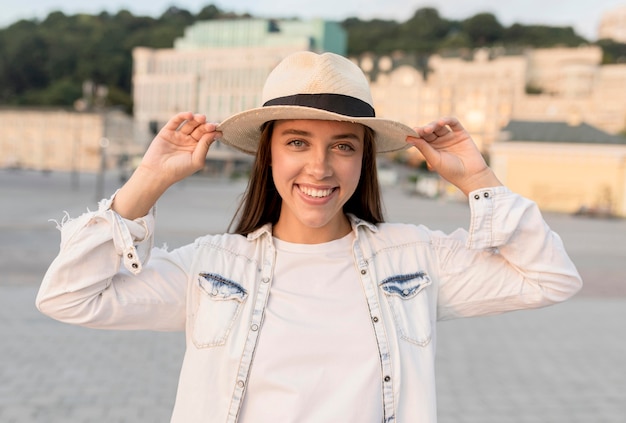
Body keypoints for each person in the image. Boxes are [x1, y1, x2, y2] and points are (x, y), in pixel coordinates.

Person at [36, 51, 582, 423]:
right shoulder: (211, 269)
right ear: (268, 153)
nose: (320, 168)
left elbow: (550, 279)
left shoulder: (413, 260)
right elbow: (69, 297)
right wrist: (148, 182)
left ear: (363, 158)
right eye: (298, 142)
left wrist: (477, 181)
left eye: (343, 146)